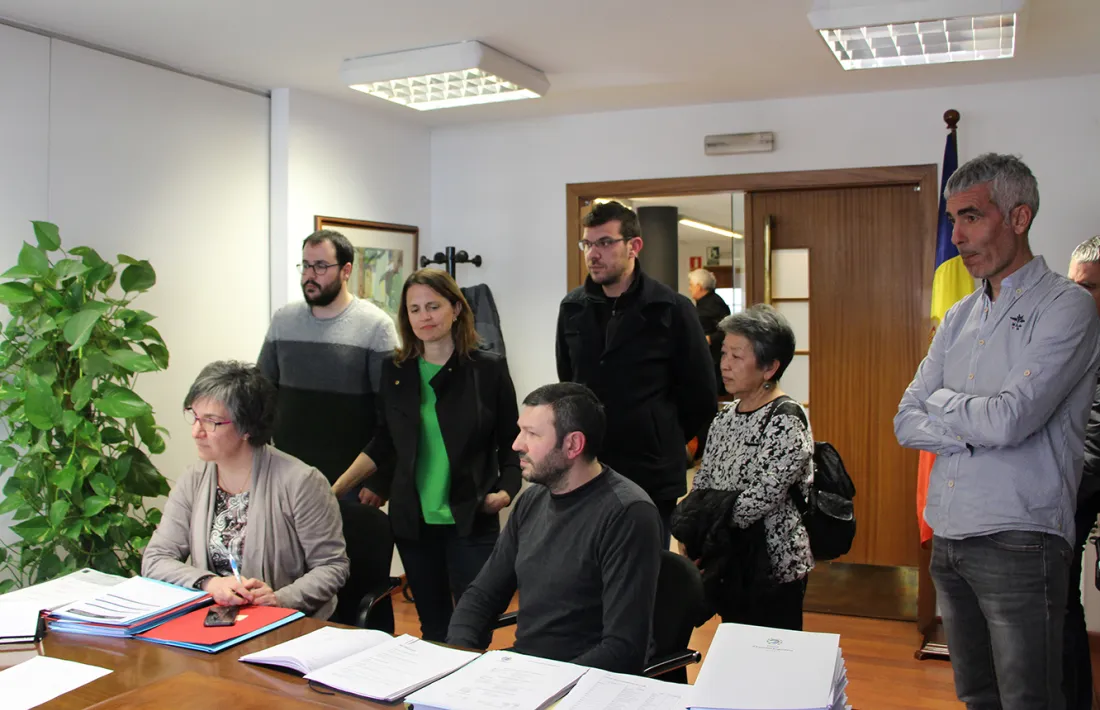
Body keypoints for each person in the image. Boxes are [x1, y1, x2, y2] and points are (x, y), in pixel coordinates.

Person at [894, 153, 1100, 709]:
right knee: (977, 696)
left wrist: (944, 405)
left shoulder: (1067, 306)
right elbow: (906, 419)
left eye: (971, 217)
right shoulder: (960, 315)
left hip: (1020, 537)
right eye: (952, 220)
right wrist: (974, 421)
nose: (957, 237)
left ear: (1019, 217)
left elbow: (1012, 419)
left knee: (1029, 699)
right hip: (949, 533)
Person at [331, 268, 521, 643]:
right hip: (413, 522)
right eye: (414, 309)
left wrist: (506, 491)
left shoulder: (488, 368)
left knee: (473, 627)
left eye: (433, 306)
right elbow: (384, 442)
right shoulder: (396, 370)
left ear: (456, 308)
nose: (424, 317)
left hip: (471, 515)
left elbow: (512, 441)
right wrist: (333, 491)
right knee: (433, 628)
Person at [447, 383, 662, 674]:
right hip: (529, 671)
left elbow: (623, 648)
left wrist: (542, 686)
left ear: (573, 445)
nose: (516, 445)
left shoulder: (627, 514)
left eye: (532, 434)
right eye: (520, 431)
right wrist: (460, 659)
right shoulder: (532, 500)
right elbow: (482, 595)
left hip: (582, 681)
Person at [556, 201, 717, 543]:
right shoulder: (572, 308)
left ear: (634, 246)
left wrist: (661, 432)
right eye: (588, 244)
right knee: (589, 565)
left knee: (648, 566)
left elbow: (701, 395)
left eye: (605, 242)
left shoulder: (672, 309)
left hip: (651, 469)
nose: (593, 254)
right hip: (590, 465)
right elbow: (568, 382)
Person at [142, 361, 350, 618]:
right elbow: (156, 559)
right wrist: (210, 583)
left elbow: (332, 566)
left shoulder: (301, 482)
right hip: (213, 619)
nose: (196, 432)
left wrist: (280, 599)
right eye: (194, 417)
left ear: (247, 428)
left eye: (211, 422)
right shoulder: (193, 479)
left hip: (284, 621)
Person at [682, 305, 813, 630]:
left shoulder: (787, 418)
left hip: (772, 564)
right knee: (734, 641)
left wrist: (709, 528)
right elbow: (704, 479)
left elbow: (764, 496)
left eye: (737, 356)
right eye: (724, 353)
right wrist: (693, 525)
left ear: (770, 367)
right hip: (728, 560)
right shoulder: (725, 417)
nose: (724, 364)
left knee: (773, 649)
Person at [258, 229, 398, 491]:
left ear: (346, 271)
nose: (310, 275)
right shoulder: (283, 320)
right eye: (306, 265)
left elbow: (393, 412)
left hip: (351, 481)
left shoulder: (376, 326)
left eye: (321, 266)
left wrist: (380, 480)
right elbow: (261, 392)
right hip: (285, 476)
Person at [1063, 235, 1100, 710]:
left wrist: (1060, 493)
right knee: (1062, 601)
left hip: (1079, 489)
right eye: (1073, 284)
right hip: (1075, 490)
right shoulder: (1076, 334)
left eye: (1088, 286)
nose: (1078, 295)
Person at [689, 267, 731, 394]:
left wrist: (709, 339)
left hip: (714, 359)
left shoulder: (714, 304)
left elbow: (727, 330)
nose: (689, 289)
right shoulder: (704, 303)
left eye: (691, 285)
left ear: (699, 286)